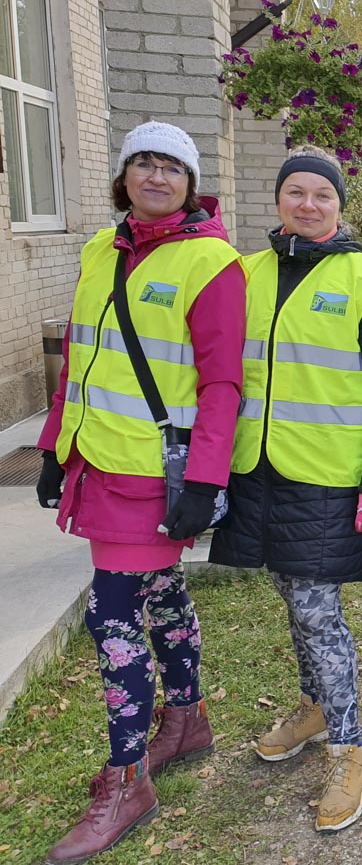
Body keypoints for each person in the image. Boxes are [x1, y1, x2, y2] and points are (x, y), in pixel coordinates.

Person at [37, 122, 245, 864]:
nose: (156, 176)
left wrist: (206, 478)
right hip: (98, 461)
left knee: (111, 613)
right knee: (158, 596)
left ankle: (128, 780)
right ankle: (185, 721)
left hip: (155, 476)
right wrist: (54, 446)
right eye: (144, 164)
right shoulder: (101, 248)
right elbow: (84, 353)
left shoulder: (211, 262)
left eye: (172, 167)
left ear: (191, 184)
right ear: (123, 175)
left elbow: (223, 382)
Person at [209, 145, 362, 831]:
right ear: (278, 201)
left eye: (321, 195)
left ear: (338, 205)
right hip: (257, 469)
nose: (307, 204)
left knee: (317, 610)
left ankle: (349, 752)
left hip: (328, 476)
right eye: (295, 192)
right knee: (288, 594)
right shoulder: (246, 273)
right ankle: (315, 707)